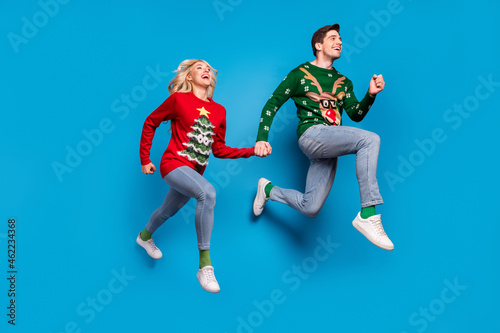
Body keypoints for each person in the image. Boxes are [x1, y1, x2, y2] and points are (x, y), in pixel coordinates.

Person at [252, 24, 394, 251]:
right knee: (371, 139)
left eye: (340, 39)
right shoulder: (299, 74)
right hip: (313, 135)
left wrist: (370, 95)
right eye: (333, 38)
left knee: (310, 207)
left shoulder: (344, 82)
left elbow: (355, 115)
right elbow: (272, 103)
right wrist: (262, 138)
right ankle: (368, 214)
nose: (339, 42)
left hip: (331, 145)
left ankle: (268, 190)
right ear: (319, 45)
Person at [137, 59, 257, 293]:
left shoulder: (219, 111)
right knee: (208, 193)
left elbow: (219, 150)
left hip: (191, 173)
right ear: (189, 77)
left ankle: (144, 236)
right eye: (199, 67)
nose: (206, 70)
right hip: (172, 164)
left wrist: (251, 151)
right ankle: (204, 265)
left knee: (167, 211)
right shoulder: (178, 100)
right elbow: (151, 122)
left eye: (209, 69)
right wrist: (145, 159)